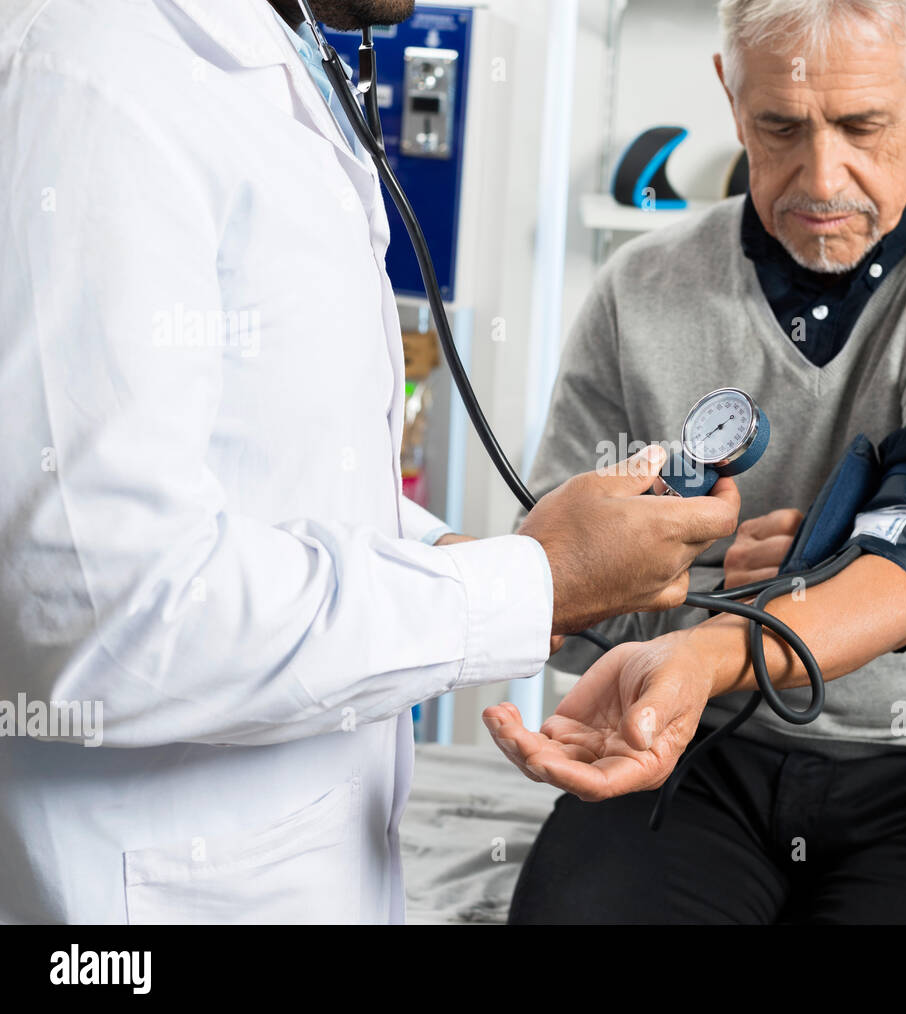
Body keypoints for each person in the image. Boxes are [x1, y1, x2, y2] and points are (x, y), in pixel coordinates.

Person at [0, 0, 739, 924]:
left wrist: (480, 560)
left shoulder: (265, 60)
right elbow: (100, 610)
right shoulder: (93, 71)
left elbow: (280, 473)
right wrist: (526, 583)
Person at [484, 0, 906, 925]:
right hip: (699, 754)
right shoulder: (639, 291)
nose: (823, 177)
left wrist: (737, 632)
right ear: (732, 98)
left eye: (863, 127)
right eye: (780, 126)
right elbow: (562, 602)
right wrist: (689, 586)